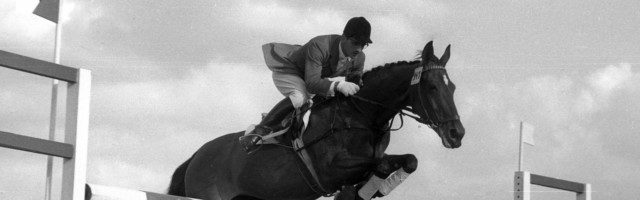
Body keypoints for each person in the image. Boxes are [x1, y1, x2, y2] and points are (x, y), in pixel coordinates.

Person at [239, 17, 373, 153]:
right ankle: (258, 131)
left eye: (363, 45)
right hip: (288, 69)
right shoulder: (320, 45)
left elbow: (354, 82)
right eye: (356, 43)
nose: (359, 49)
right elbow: (311, 83)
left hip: (309, 78)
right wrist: (338, 85)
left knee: (319, 105)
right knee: (299, 98)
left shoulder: (359, 57)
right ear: (344, 37)